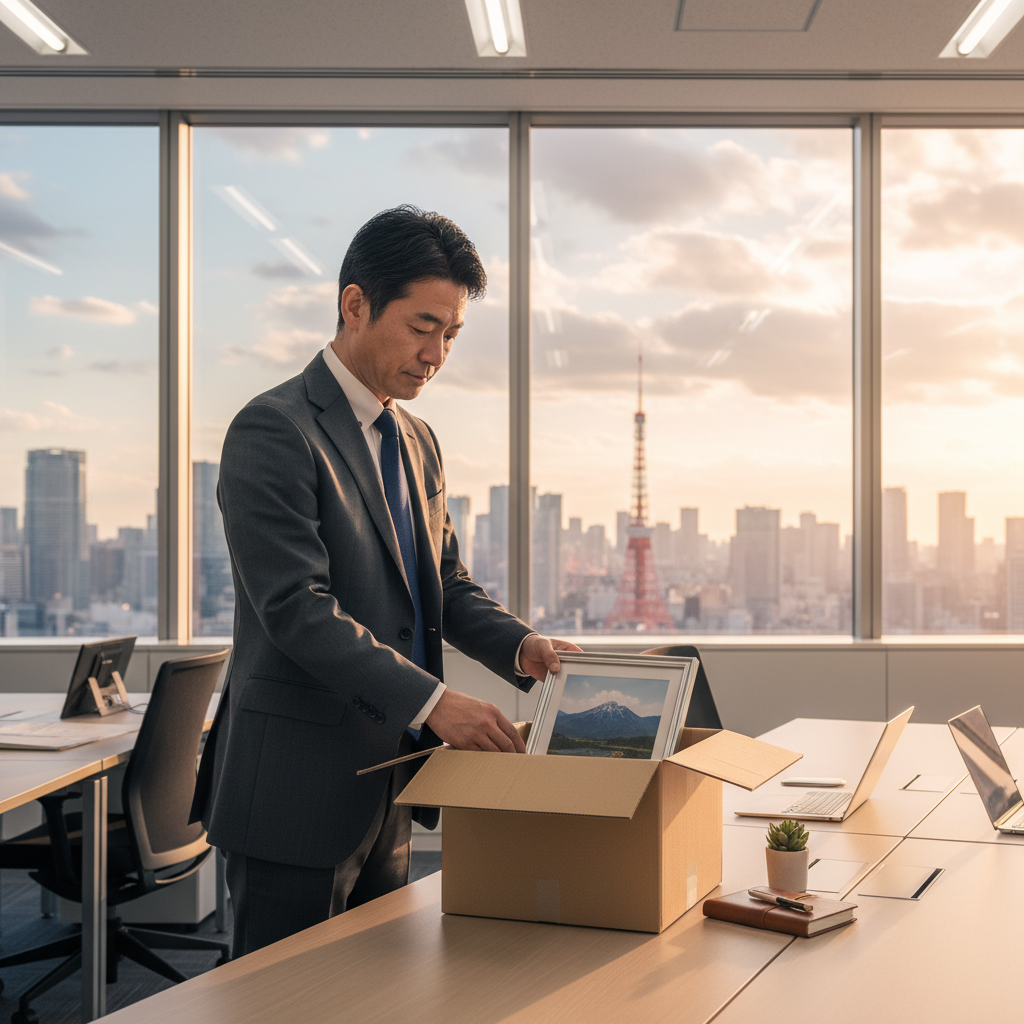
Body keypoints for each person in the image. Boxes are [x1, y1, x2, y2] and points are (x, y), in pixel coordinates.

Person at [191, 205, 580, 958]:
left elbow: (443, 582)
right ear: (355, 304)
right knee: (285, 1009)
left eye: (452, 336)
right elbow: (296, 611)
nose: (436, 354)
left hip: (391, 780)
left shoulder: (416, 437)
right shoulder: (274, 429)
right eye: (422, 326)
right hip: (294, 792)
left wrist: (520, 645)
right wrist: (434, 702)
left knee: (378, 996)